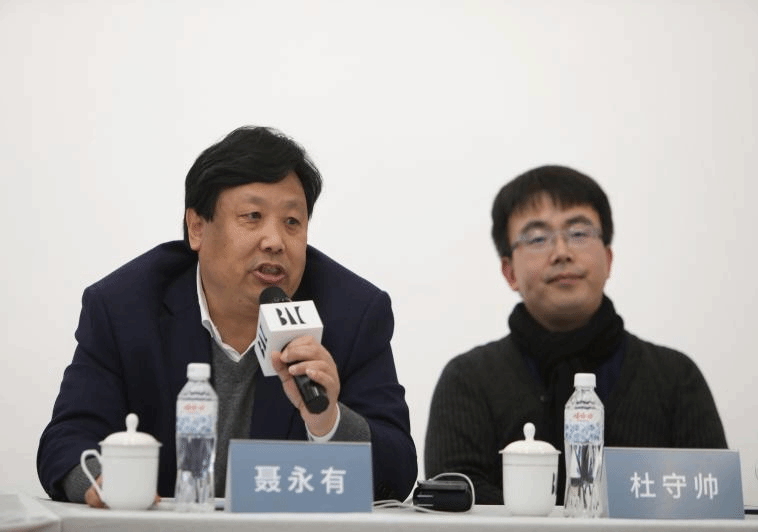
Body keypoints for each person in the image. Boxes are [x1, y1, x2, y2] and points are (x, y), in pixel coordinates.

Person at [38, 126, 417, 506]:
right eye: (253, 216)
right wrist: (102, 484)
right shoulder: (124, 307)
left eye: (292, 222)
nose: (275, 241)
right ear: (197, 228)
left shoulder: (352, 313)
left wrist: (328, 421)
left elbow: (398, 473)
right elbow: (67, 440)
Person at [424, 165, 727, 504]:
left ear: (608, 259)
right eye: (537, 238)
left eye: (579, 233)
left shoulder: (675, 378)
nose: (561, 253)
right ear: (509, 272)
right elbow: (456, 504)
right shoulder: (468, 381)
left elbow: (711, 499)